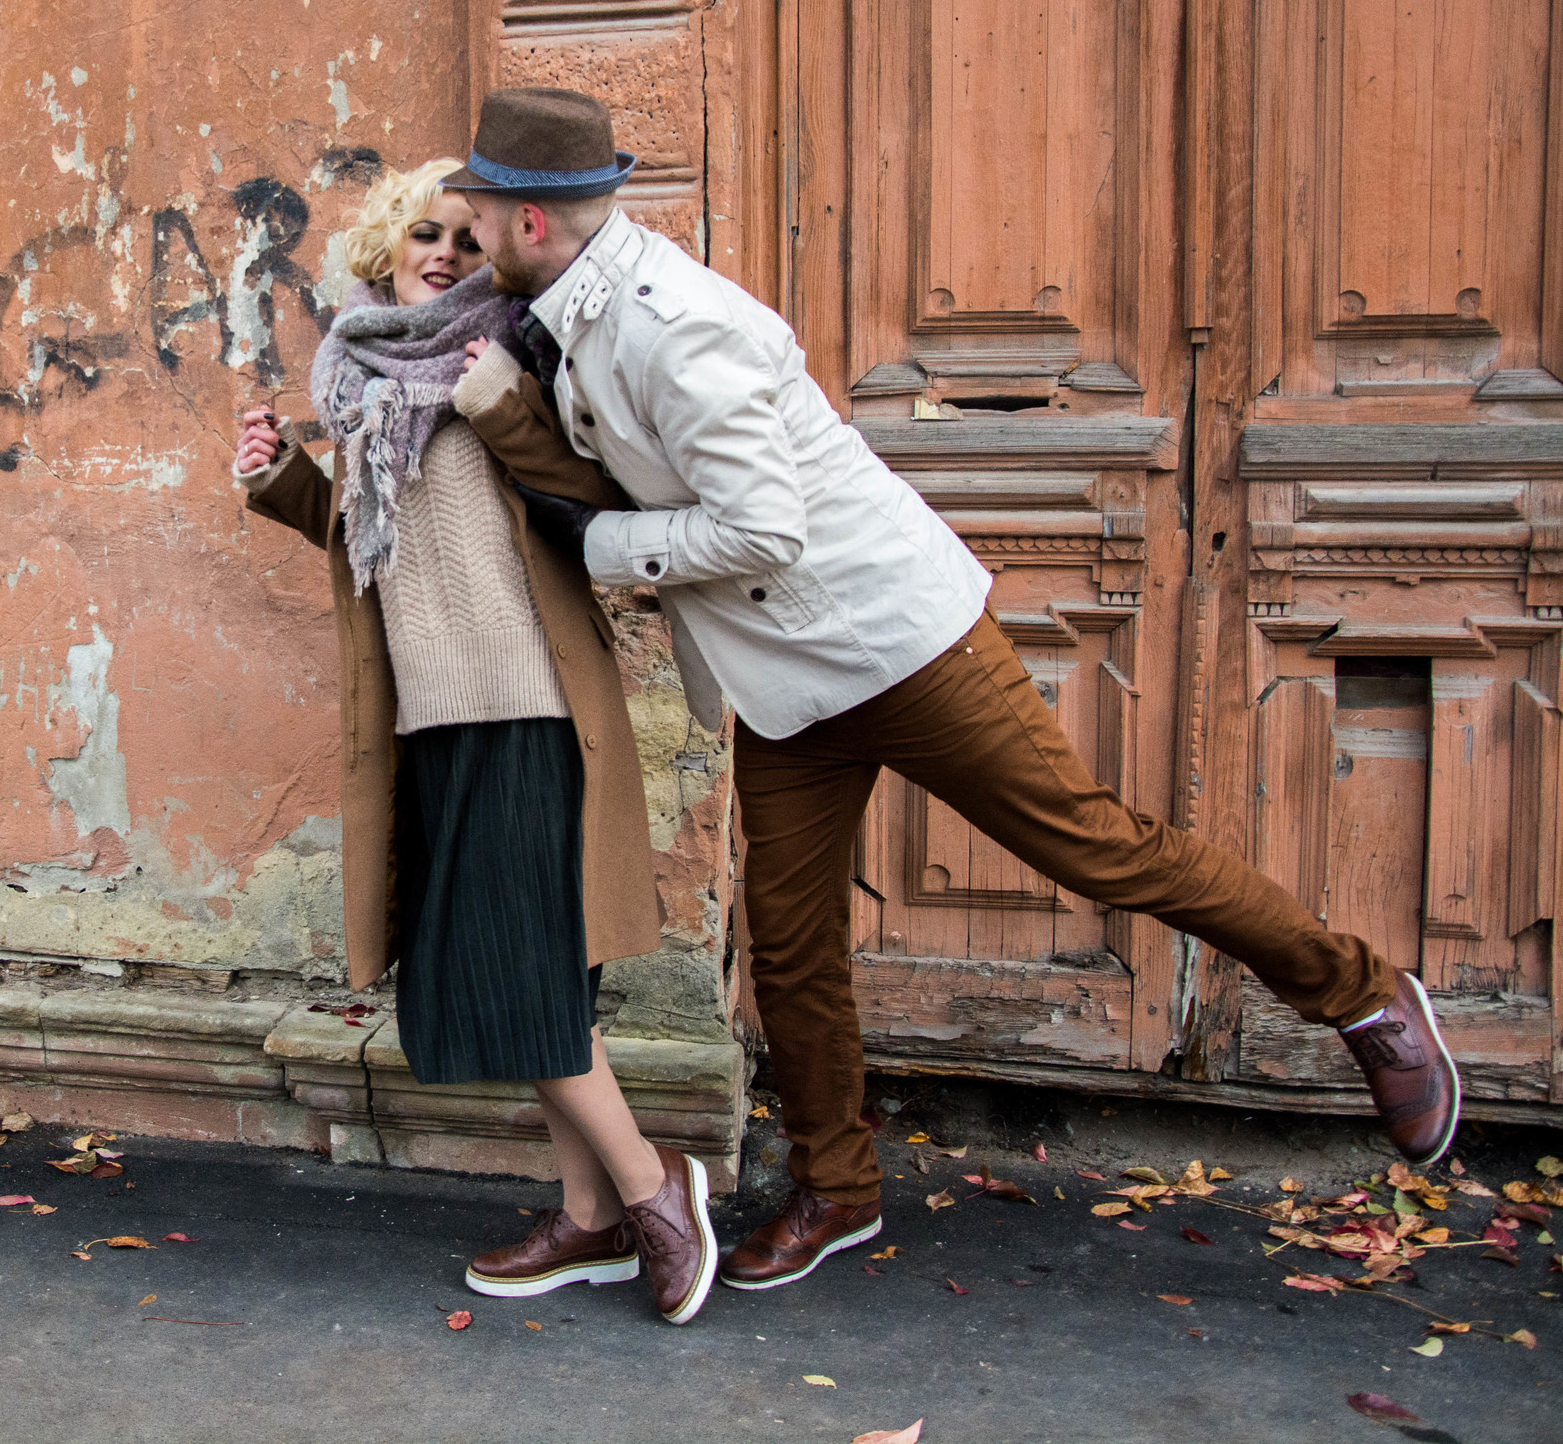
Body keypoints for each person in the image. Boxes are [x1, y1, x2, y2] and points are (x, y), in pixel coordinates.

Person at [442, 86, 1461, 1294]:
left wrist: (597, 549)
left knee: (1099, 850)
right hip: (786, 681)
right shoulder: (559, 313)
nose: (463, 241)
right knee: (793, 942)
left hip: (897, 642)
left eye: (478, 218)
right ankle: (837, 1189)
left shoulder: (674, 325)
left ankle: (1362, 997)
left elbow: (760, 531)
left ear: (534, 225)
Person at [232, 157, 720, 1324]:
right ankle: (591, 1219)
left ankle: (659, 1195)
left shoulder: (520, 355)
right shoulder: (362, 376)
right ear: (388, 250)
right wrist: (288, 482)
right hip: (430, 714)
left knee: (514, 973)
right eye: (425, 237)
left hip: (526, 700)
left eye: (465, 239)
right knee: (537, 975)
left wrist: (499, 397)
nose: (445, 256)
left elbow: (586, 496)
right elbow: (382, 545)